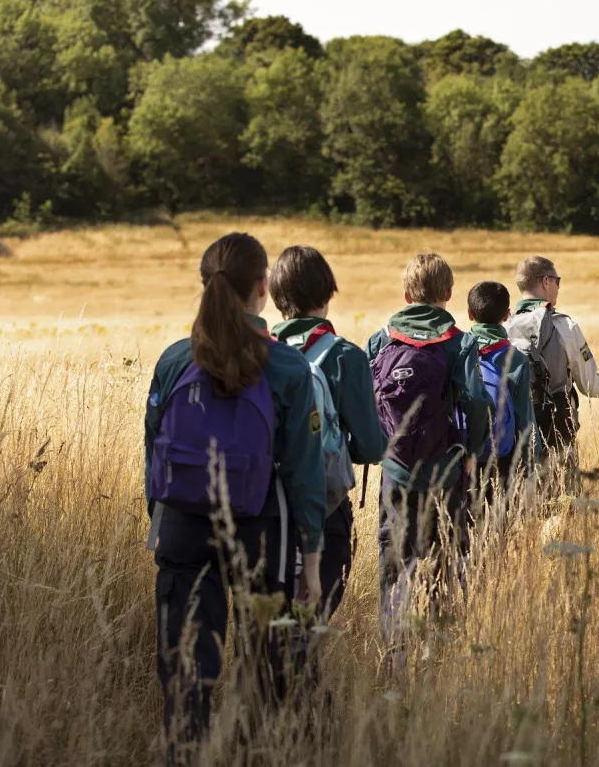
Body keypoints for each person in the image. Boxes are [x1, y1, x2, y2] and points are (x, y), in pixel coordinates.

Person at [144, 233, 325, 759]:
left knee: (185, 669)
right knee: (265, 669)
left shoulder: (176, 360)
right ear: (262, 287)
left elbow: (152, 448)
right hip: (259, 527)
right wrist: (310, 562)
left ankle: (186, 753)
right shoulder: (288, 368)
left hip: (181, 523)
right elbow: (304, 474)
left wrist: (158, 524)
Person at [365, 253, 492, 644]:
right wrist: (471, 453)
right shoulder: (459, 343)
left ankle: (393, 650)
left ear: (406, 294)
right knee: (445, 562)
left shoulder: (380, 339)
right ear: (450, 293)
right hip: (445, 471)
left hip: (396, 471)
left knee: (394, 563)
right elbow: (476, 403)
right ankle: (439, 647)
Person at [269, 245, 386, 620]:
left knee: (265, 627)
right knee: (310, 625)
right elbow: (370, 447)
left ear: (275, 296)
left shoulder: (254, 353)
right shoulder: (345, 357)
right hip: (325, 506)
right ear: (326, 294)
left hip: (259, 506)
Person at [506, 256, 599, 467]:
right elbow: (589, 385)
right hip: (557, 432)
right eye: (557, 281)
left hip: (513, 435)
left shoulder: (504, 326)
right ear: (545, 282)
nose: (558, 288)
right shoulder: (565, 326)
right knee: (563, 495)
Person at [465, 280, 539, 504]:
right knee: (501, 527)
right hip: (503, 459)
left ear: (469, 314)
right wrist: (531, 463)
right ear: (507, 315)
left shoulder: (458, 351)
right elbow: (524, 418)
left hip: (463, 457)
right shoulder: (515, 359)